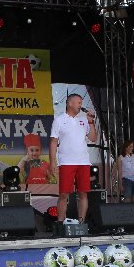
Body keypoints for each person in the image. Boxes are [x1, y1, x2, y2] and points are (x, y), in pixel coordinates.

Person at [48, 94, 98, 222]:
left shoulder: (83, 120)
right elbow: (53, 142)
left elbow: (93, 138)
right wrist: (52, 162)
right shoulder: (59, 120)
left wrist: (91, 121)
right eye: (79, 102)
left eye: (81, 103)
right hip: (66, 162)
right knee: (64, 194)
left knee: (83, 193)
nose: (81, 105)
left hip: (83, 162)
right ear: (70, 103)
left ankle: (81, 222)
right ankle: (60, 222)